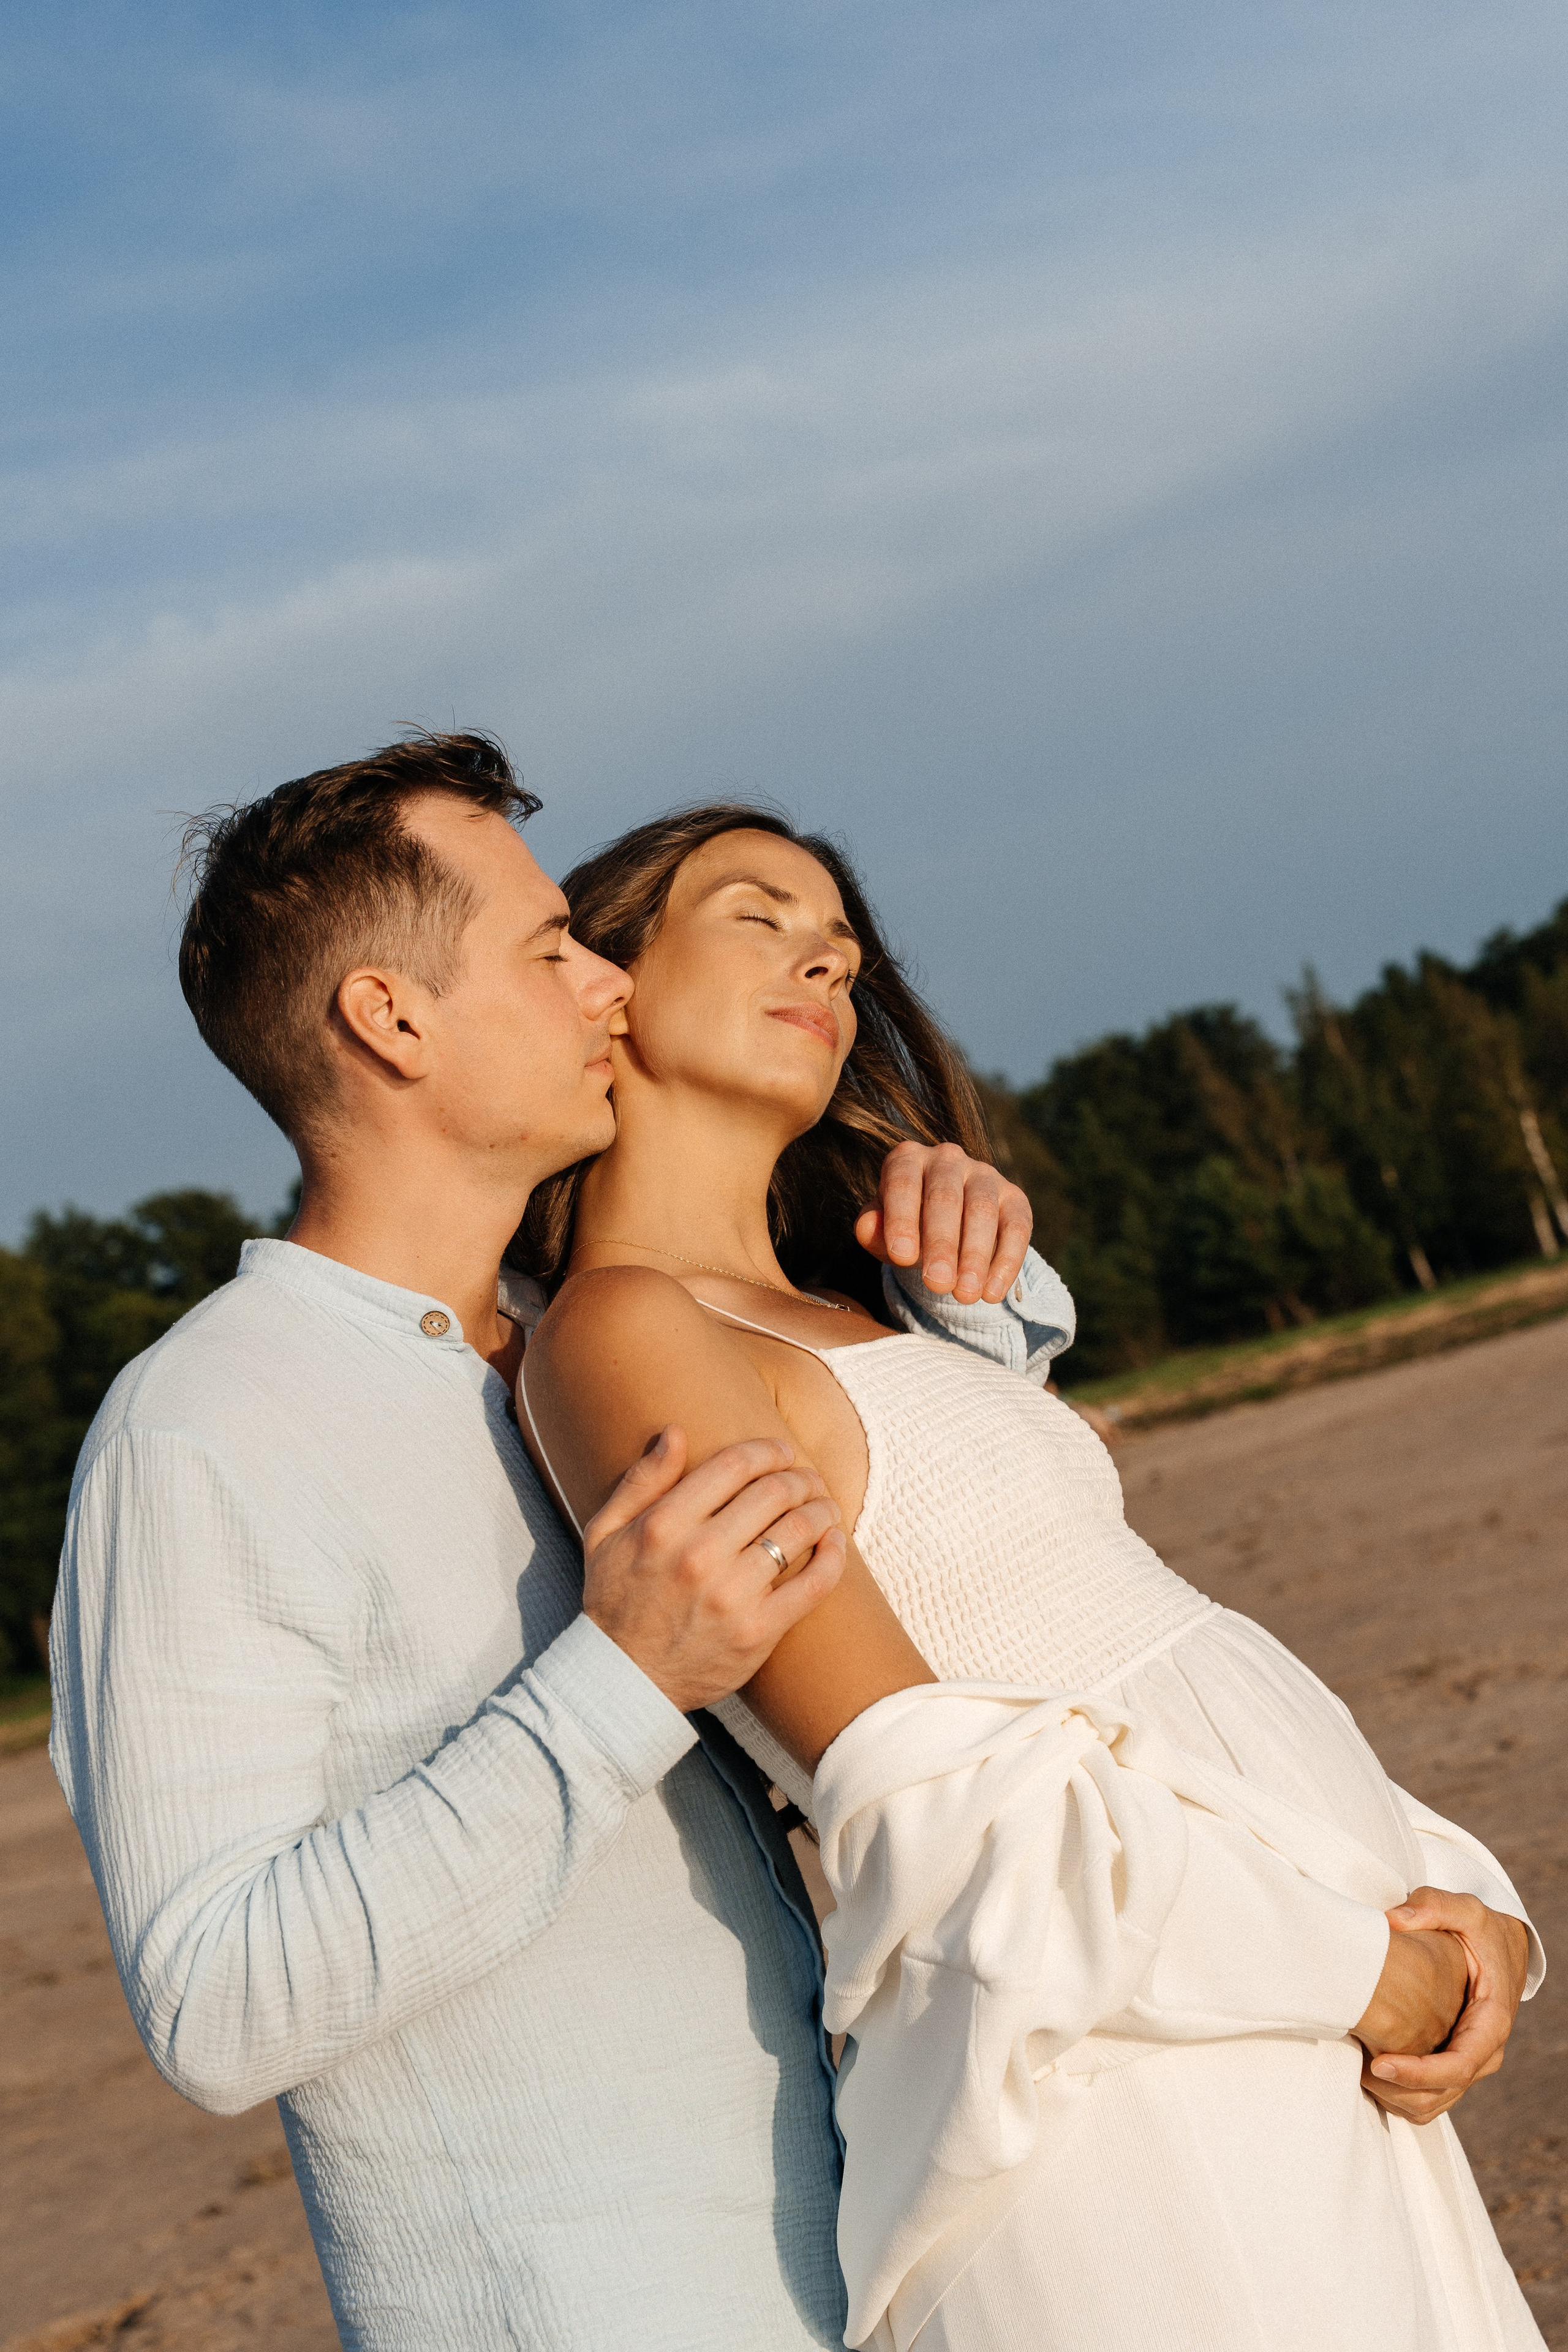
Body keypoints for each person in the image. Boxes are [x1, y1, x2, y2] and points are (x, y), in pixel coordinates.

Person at [47, 733, 1055, 2352]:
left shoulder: (569, 1351)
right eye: (546, 951)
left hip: (871, 2278)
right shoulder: (204, 1429)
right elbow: (218, 2007)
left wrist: (970, 1327)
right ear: (389, 1019)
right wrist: (621, 1678)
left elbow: (911, 1694)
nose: (605, 988)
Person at [515, 803, 1547, 2352]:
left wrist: (1466, 1910)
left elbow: (1126, 1643)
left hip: (1278, 2027)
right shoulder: (626, 1333)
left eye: (842, 948)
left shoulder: (865, 1321)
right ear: (603, 982)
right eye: (755, 913)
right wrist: (1363, 1971)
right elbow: (930, 1795)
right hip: (1116, 2083)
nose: (824, 955)